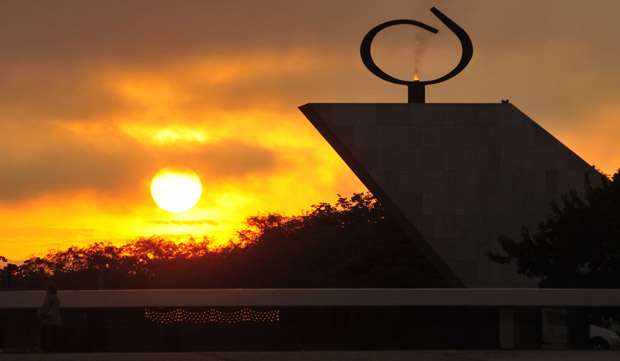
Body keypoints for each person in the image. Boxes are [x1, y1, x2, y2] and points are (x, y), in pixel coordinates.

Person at [38, 285, 62, 352]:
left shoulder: (49, 297)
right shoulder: (56, 298)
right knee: (54, 336)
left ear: (49, 290)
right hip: (56, 320)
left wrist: (39, 313)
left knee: (45, 335)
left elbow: (45, 307)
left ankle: (44, 348)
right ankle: (54, 349)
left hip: (49, 320)